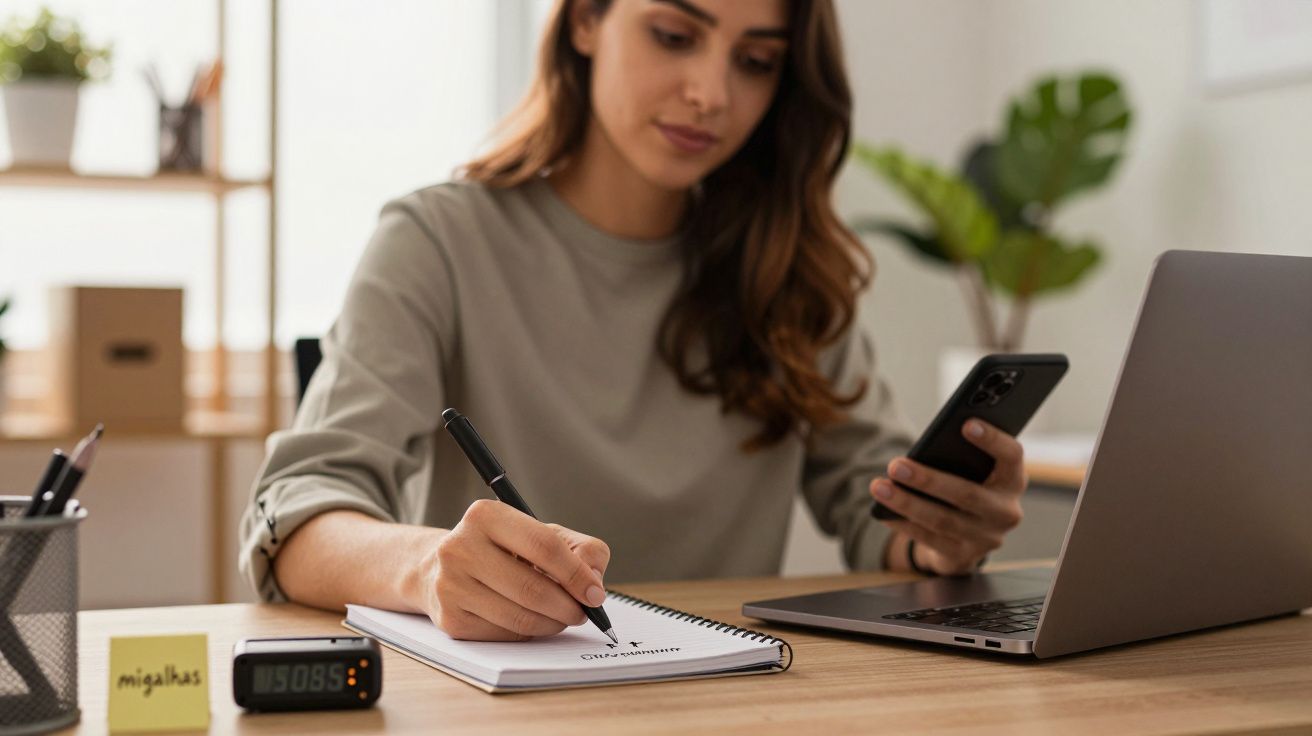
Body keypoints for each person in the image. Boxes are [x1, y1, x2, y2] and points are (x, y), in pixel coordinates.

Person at [239, 0, 1028, 642]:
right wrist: (424, 568)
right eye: (675, 35)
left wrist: (938, 532)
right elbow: (297, 514)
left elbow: (875, 512)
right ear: (584, 20)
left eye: (755, 60)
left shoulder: (787, 265)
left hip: (739, 703)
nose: (711, 94)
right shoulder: (437, 242)